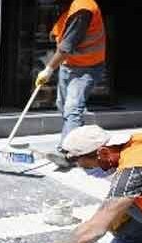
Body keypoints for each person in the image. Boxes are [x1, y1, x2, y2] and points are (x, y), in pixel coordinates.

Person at [36, 0, 106, 168]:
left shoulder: (83, 9)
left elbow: (66, 47)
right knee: (63, 105)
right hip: (69, 64)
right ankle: (81, 144)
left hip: (87, 67)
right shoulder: (68, 6)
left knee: (72, 109)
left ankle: (67, 154)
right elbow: (61, 33)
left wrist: (49, 69)